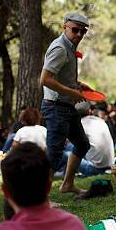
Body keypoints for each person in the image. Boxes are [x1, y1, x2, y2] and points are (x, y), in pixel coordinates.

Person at [39, 12, 92, 195]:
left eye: (82, 31)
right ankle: (41, 201)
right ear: (65, 27)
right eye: (75, 29)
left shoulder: (69, 47)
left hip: (66, 106)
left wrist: (77, 85)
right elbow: (45, 79)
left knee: (82, 144)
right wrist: (71, 92)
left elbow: (60, 76)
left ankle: (67, 184)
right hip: (55, 107)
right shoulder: (60, 48)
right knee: (53, 154)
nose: (78, 34)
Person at [60, 102, 115, 177]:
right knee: (71, 147)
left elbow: (64, 141)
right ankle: (64, 172)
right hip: (110, 165)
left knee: (64, 153)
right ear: (90, 111)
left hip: (93, 169)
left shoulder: (80, 125)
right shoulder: (100, 120)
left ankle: (53, 172)